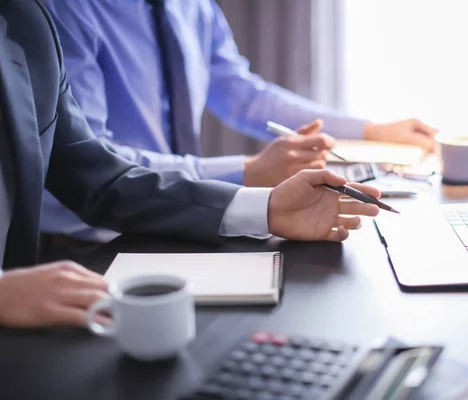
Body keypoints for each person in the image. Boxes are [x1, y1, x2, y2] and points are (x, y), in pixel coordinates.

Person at [0, 0, 380, 328]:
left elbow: (99, 176)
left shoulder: (25, 19)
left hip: (142, 237)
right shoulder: (63, 9)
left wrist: (265, 207)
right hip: (73, 252)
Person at [42, 0, 438, 245]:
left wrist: (370, 131)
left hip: (171, 215)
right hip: (83, 240)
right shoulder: (62, 10)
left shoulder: (190, 5)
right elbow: (94, 162)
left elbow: (242, 94)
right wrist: (246, 171)